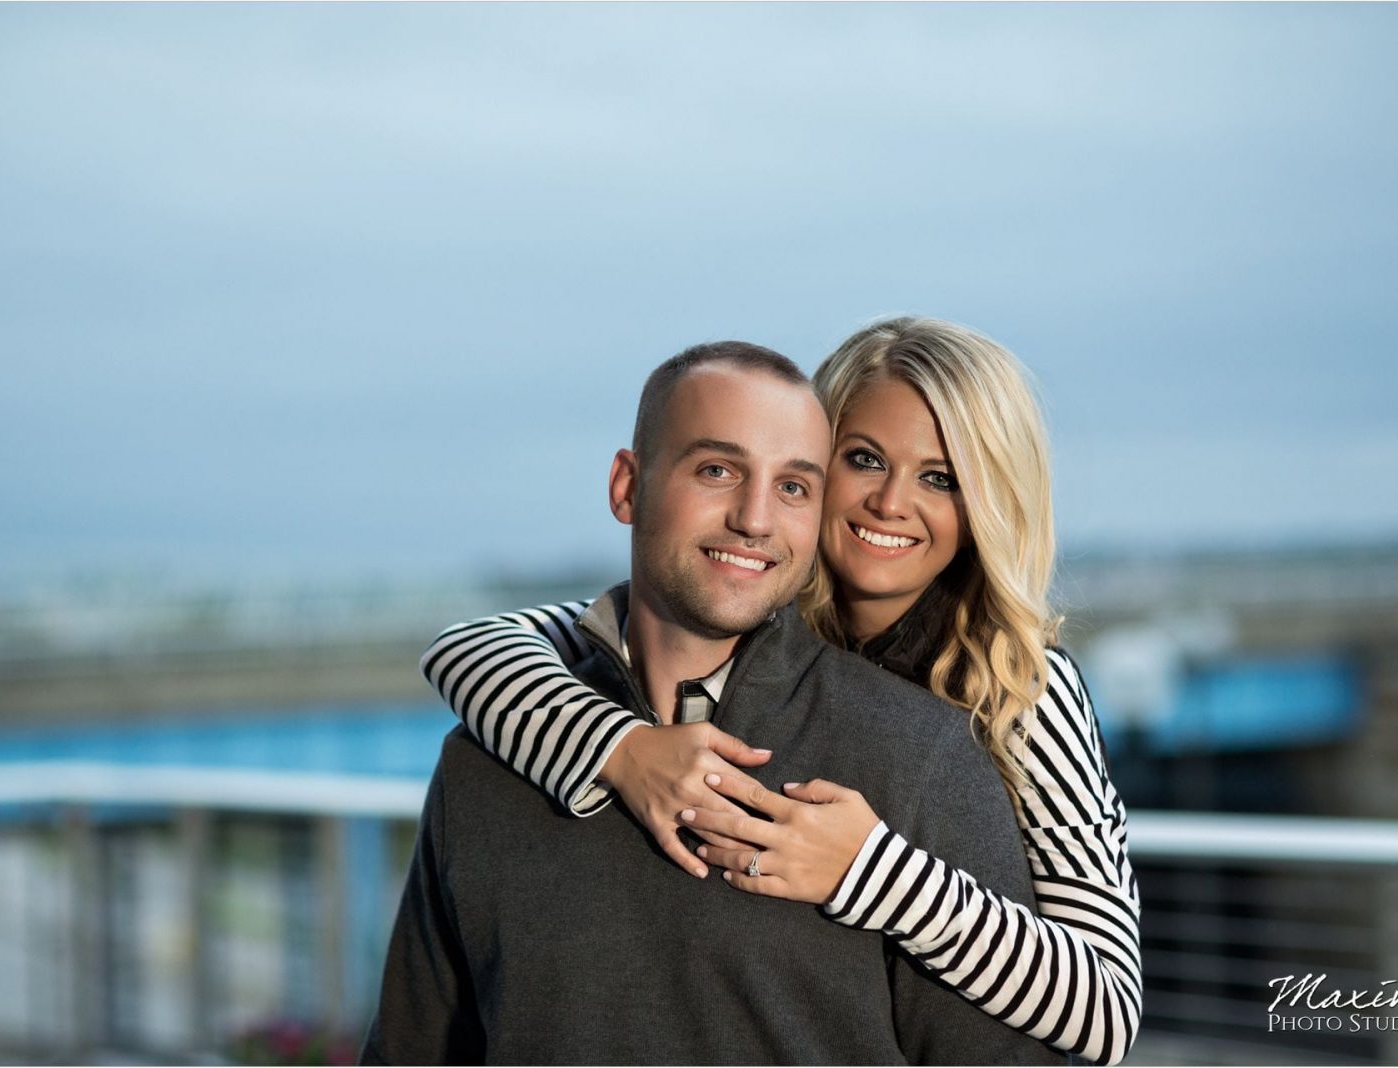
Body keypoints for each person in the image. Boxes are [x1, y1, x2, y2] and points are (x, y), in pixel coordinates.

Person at [419, 318, 1142, 1064]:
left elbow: (1108, 1011)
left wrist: (871, 870)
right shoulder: (757, 602)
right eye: (865, 460)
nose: (890, 503)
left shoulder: (1022, 686)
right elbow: (478, 648)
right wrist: (620, 748)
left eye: (940, 477)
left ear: (987, 504)